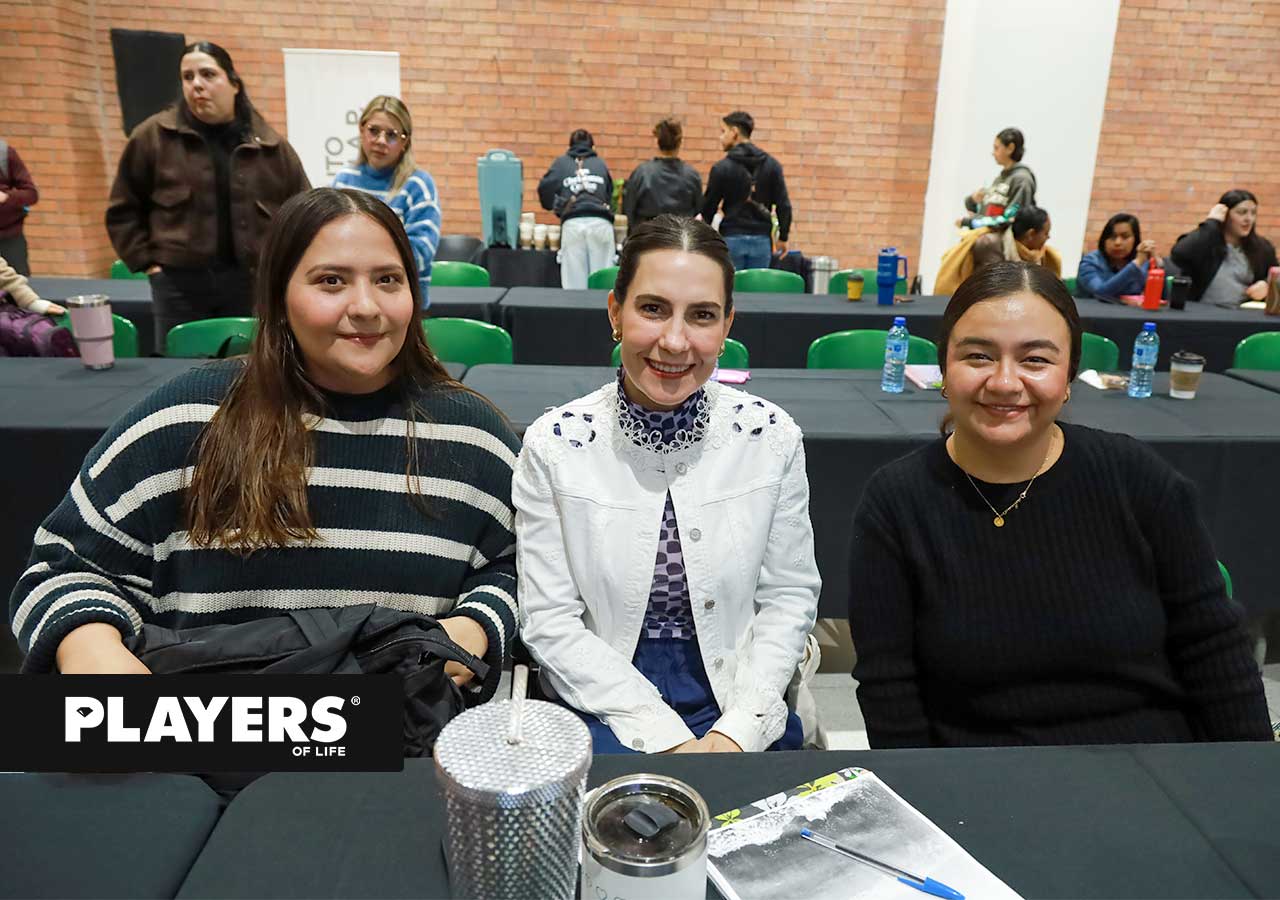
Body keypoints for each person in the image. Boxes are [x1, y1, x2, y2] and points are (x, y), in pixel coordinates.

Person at [11, 188, 519, 700]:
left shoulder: (473, 436)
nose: (366, 307)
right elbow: (63, 569)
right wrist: (91, 648)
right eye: (331, 281)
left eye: (388, 279)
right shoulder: (182, 420)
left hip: (402, 733)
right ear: (279, 296)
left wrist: (478, 623)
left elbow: (524, 567)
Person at [847, 260, 1272, 748]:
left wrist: (1253, 775)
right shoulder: (897, 502)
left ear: (1069, 376)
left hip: (1152, 762)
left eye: (1035, 360)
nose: (1005, 382)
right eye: (978, 356)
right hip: (976, 776)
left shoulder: (1137, 478)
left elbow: (1213, 647)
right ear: (944, 368)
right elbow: (889, 688)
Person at [513, 214, 821, 754]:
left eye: (701, 315)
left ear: (727, 325)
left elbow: (788, 598)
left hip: (737, 692)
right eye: (653, 309)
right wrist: (667, 739)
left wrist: (738, 732)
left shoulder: (770, 438)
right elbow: (549, 621)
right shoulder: (555, 446)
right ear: (616, 312)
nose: (675, 341)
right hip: (600, 697)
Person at [106, 41, 311, 354]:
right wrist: (148, 264)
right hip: (178, 287)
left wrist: (285, 270)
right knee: (181, 369)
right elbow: (123, 209)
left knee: (253, 368)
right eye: (188, 77)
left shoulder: (270, 146)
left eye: (208, 74)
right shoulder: (152, 137)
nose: (197, 85)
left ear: (234, 84)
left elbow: (303, 213)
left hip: (252, 286)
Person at [331, 96, 441, 308]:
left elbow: (421, 252)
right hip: (348, 302)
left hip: (402, 304)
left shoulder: (418, 185)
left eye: (391, 135)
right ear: (361, 130)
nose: (381, 140)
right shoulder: (343, 180)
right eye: (374, 131)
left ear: (404, 142)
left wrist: (359, 264)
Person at [701, 111, 792, 270]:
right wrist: (783, 237)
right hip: (762, 241)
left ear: (734, 132)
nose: (720, 137)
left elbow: (709, 207)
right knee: (757, 286)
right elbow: (783, 204)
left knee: (732, 285)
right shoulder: (772, 166)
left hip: (731, 238)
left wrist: (703, 237)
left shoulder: (721, 168)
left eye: (723, 131)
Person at [1170, 190, 1278, 308]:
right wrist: (1212, 222)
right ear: (1225, 214)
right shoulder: (1205, 242)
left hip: (1242, 313)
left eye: (1253, 213)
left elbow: (1276, 275)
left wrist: (1266, 284)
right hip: (1203, 311)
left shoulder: (1262, 247)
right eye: (1242, 212)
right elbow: (1178, 254)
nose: (1249, 219)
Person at [538, 129, 615, 290]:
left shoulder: (561, 163)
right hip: (601, 223)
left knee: (574, 286)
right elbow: (609, 194)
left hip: (573, 224)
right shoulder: (600, 164)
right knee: (602, 281)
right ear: (592, 147)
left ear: (570, 146)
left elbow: (544, 188)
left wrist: (552, 205)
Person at [934, 205, 1060, 294]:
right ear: (1030, 234)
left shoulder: (1039, 254)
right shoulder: (989, 245)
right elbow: (991, 291)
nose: (1048, 237)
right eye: (1046, 233)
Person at [622, 118, 702, 233]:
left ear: (657, 141)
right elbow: (699, 210)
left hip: (647, 237)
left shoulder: (642, 173)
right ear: (680, 142)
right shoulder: (691, 176)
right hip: (679, 238)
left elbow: (629, 208)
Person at [957, 127, 1036, 229]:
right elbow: (985, 215)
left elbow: (1010, 219)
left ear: (1010, 148)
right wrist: (972, 201)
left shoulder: (1022, 180)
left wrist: (971, 222)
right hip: (986, 236)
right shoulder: (1000, 179)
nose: (993, 153)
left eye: (996, 148)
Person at [1077, 213, 1160, 300]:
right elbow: (1100, 293)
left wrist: (1158, 265)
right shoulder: (1090, 261)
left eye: (1125, 237)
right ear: (1104, 239)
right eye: (1112, 237)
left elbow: (1162, 298)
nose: (1118, 242)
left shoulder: (1143, 262)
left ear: (1135, 240)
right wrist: (1135, 264)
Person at [0, 138, 38, 276]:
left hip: (9, 240)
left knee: (18, 285)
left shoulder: (4, 154)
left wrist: (6, 197)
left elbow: (31, 194)